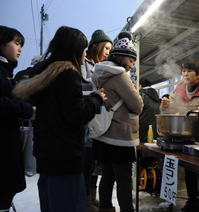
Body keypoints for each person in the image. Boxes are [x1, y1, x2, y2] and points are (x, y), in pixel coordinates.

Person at [12, 26, 107, 212]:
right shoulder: (66, 73)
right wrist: (96, 99)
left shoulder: (43, 72)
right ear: (73, 49)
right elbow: (77, 114)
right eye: (82, 48)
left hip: (46, 154)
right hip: (66, 156)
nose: (85, 53)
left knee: (50, 204)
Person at [91, 31, 143, 212]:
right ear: (122, 57)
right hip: (120, 136)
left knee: (107, 176)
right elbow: (137, 105)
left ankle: (105, 208)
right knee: (123, 179)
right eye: (131, 60)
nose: (131, 65)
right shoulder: (119, 75)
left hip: (103, 133)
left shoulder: (99, 72)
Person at [160, 58, 199, 212]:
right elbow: (170, 113)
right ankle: (191, 201)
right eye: (184, 71)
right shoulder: (177, 91)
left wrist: (190, 125)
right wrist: (165, 107)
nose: (185, 74)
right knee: (189, 172)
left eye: (189, 71)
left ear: (198, 74)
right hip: (185, 138)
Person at [0, 25, 34, 212]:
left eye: (21, 44)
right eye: (16, 43)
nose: (20, 48)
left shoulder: (6, 72)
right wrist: (26, 108)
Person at [81, 29, 114, 212]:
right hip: (87, 120)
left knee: (94, 163)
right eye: (106, 48)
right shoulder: (83, 63)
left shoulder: (102, 66)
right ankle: (85, 201)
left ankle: (92, 198)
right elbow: (84, 86)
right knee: (86, 162)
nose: (108, 52)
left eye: (110, 49)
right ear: (96, 46)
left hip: (98, 119)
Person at [139, 78, 160, 142]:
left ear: (140, 86)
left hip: (142, 128)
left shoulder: (141, 94)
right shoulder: (156, 95)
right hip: (155, 128)